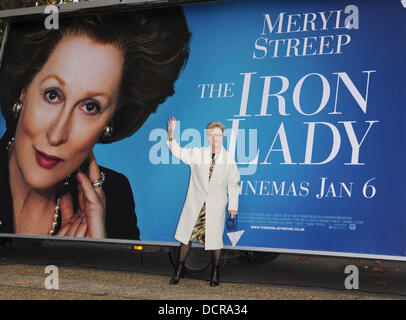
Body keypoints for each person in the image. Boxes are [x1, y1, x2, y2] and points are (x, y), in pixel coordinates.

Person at [0, 8, 191, 239]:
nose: (57, 134)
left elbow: (125, 273)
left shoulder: (114, 197)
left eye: (90, 107)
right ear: (24, 91)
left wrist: (97, 249)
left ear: (109, 122)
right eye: (52, 95)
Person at [166, 117, 240, 286]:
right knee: (186, 238)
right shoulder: (198, 153)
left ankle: (215, 272)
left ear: (223, 137)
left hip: (216, 205)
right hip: (196, 203)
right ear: (208, 137)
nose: (216, 138)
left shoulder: (228, 159)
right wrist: (171, 135)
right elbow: (178, 152)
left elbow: (233, 183)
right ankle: (179, 270)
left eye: (219, 135)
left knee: (215, 241)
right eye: (213, 135)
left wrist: (233, 206)